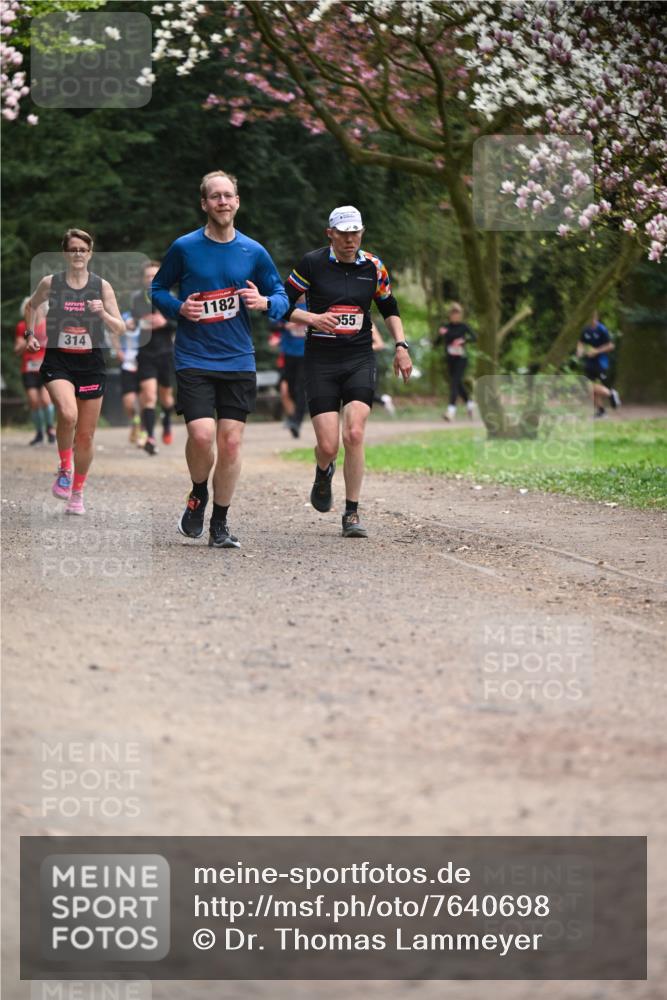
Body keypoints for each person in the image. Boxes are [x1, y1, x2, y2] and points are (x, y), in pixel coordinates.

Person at [151, 170, 289, 548]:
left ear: (237, 201)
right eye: (215, 196)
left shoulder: (253, 251)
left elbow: (281, 295)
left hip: (238, 358)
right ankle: (198, 495)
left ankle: (220, 523)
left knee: (229, 444)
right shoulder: (184, 247)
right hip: (194, 356)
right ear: (204, 203)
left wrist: (265, 303)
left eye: (228, 195)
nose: (222, 202)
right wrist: (180, 309)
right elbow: (158, 288)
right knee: (201, 434)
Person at [284, 205, 412, 538]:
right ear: (331, 234)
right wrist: (312, 319)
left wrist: (401, 346)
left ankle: (352, 512)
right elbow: (282, 304)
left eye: (355, 232)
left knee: (354, 433)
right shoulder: (311, 263)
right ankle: (323, 469)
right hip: (321, 361)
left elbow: (389, 306)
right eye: (343, 233)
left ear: (362, 233)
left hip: (358, 358)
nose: (349, 239)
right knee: (328, 445)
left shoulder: (374, 266)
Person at [24, 228, 124, 514]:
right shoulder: (51, 283)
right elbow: (31, 306)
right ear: (65, 254)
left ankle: (77, 492)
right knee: (68, 414)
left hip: (91, 364)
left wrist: (102, 313)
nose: (78, 253)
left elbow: (120, 326)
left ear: (90, 253)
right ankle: (65, 466)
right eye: (73, 249)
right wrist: (30, 334)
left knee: (86, 436)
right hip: (58, 361)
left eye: (83, 249)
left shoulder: (101, 286)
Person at [129, 260, 177, 455]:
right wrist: (136, 323)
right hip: (146, 353)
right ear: (142, 279)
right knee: (149, 395)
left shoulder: (168, 297)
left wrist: (164, 322)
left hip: (166, 352)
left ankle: (166, 420)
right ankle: (149, 437)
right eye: (147, 276)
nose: (150, 279)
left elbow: (181, 323)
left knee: (166, 397)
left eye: (154, 276)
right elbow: (131, 321)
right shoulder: (136, 299)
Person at [14, 297, 55, 445]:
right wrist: (28, 339)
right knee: (33, 401)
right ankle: (39, 433)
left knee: (45, 400)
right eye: (29, 309)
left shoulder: (49, 325)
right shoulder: (21, 327)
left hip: (46, 368)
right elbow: (17, 350)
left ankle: (50, 429)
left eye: (36, 308)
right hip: (28, 368)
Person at [435, 302, 476, 421]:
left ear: (461, 315)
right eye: (453, 314)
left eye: (457, 314)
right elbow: (436, 343)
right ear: (450, 315)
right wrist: (439, 334)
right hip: (450, 359)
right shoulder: (446, 327)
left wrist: (462, 341)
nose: (455, 316)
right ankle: (469, 403)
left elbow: (474, 337)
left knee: (454, 383)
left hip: (461, 359)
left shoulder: (464, 327)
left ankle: (451, 411)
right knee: (457, 384)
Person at [576, 312, 621, 418]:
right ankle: (601, 410)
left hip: (601, 362)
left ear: (596, 318)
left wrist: (596, 351)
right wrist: (580, 351)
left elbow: (610, 346)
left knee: (592, 387)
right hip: (589, 362)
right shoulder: (585, 330)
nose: (591, 321)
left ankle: (611, 394)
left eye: (593, 319)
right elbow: (580, 342)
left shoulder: (602, 330)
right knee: (589, 387)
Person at [273, 306, 307, 438]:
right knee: (290, 388)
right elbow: (273, 326)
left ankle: (296, 422)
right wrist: (287, 326)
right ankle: (293, 418)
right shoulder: (286, 305)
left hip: (306, 354)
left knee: (301, 388)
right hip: (288, 354)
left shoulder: (312, 303)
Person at [118, 309, 142, 444]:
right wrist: (118, 351)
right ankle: (135, 422)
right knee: (129, 404)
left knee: (143, 401)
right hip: (127, 367)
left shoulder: (144, 321)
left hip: (143, 368)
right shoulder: (123, 320)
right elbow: (112, 334)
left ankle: (142, 431)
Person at [371, 322, 397, 416]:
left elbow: (380, 344)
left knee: (368, 392)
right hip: (348, 362)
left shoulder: (368, 322)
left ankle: (384, 401)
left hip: (368, 361)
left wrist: (360, 348)